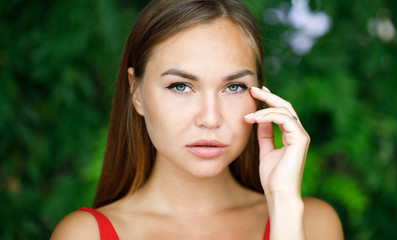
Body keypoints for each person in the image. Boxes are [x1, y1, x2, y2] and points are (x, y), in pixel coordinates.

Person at [51, 0, 343, 239]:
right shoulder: (85, 235)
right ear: (136, 92)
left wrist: (284, 207)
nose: (210, 118)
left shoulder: (313, 224)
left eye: (234, 87)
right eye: (181, 86)